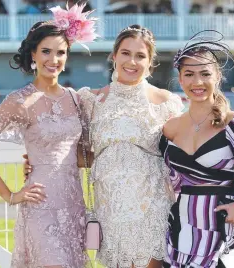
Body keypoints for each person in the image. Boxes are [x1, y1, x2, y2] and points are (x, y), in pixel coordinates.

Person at [0, 3, 97, 267]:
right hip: (39, 204)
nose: (53, 59)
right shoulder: (18, 101)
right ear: (33, 54)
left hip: (73, 204)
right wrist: (10, 195)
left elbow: (82, 156)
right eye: (46, 51)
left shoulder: (76, 99)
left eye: (60, 52)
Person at [77, 24, 184, 268]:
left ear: (150, 62)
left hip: (151, 201)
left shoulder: (166, 101)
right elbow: (81, 154)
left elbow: (184, 151)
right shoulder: (91, 100)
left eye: (140, 55)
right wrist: (39, 162)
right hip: (109, 201)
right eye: (125, 53)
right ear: (114, 56)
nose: (132, 61)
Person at [160, 30, 234, 268]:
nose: (197, 82)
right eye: (190, 74)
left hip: (219, 230)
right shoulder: (170, 127)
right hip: (178, 231)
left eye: (205, 74)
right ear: (180, 79)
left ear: (217, 77)